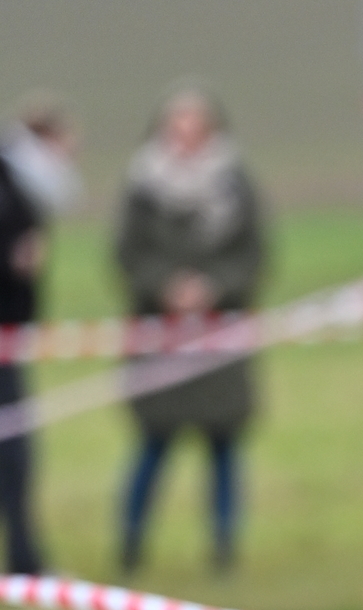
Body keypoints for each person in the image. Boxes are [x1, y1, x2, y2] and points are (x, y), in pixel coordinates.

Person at [112, 87, 268, 573]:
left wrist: (213, 287)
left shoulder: (235, 184)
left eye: (195, 129)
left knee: (223, 445)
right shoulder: (143, 185)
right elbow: (126, 253)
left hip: (219, 336)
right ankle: (130, 546)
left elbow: (254, 254)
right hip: (160, 335)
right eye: (176, 128)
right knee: (153, 443)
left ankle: (224, 549)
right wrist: (166, 287)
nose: (185, 138)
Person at [0, 95, 82, 578]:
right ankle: (25, 561)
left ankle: (24, 558)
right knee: (13, 455)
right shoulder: (10, 183)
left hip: (10, 341)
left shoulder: (16, 185)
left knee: (16, 458)